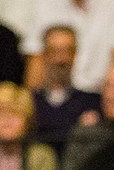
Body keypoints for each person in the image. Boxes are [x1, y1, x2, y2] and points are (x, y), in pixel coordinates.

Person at [32, 26, 100, 157]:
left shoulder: (93, 102)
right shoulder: (30, 103)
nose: (61, 59)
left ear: (75, 54)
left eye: (68, 51)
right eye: (54, 51)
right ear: (44, 54)